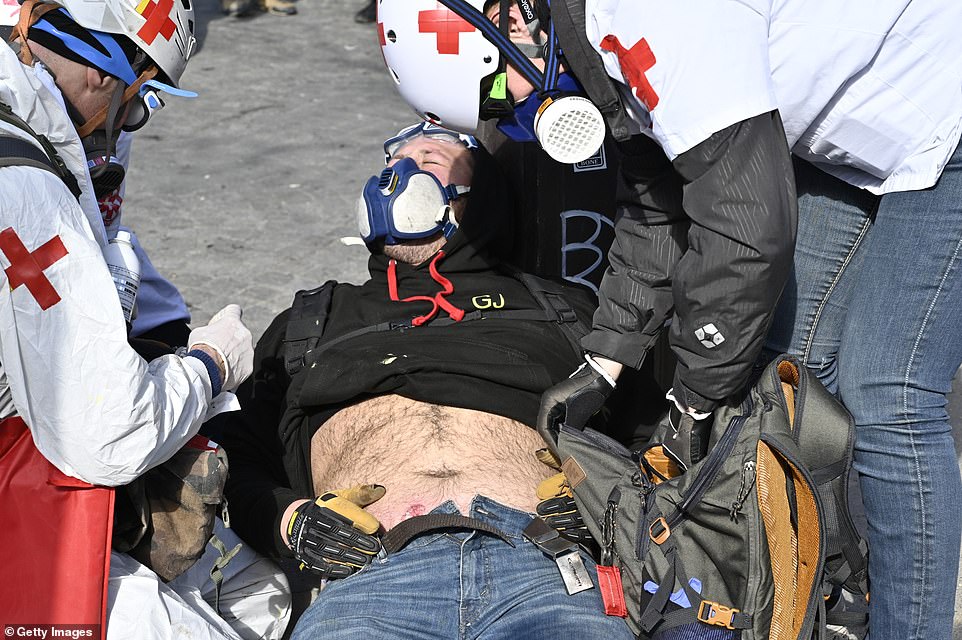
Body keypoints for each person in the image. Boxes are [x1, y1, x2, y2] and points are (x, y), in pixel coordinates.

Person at [373, 2, 962, 638]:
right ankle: (823, 599)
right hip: (860, 134)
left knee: (888, 392)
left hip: (946, 121)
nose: (513, 113)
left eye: (494, 92)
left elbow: (745, 231)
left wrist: (694, 397)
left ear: (508, 18)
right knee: (790, 374)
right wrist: (605, 359)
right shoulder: (593, 42)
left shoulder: (649, 18)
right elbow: (658, 209)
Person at [210, 123, 635, 638]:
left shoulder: (562, 308)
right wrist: (291, 521)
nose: (404, 174)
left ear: (482, 196)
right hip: (373, 577)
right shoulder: (315, 318)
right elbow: (233, 458)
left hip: (546, 566)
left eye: (431, 161)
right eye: (394, 166)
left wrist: (607, 498)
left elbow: (656, 441)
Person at [0, 1, 279, 637]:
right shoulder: (24, 184)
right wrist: (210, 366)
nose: (127, 124)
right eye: (141, 100)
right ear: (105, 72)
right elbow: (107, 432)